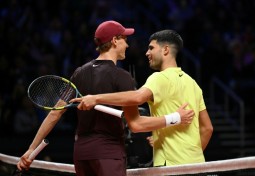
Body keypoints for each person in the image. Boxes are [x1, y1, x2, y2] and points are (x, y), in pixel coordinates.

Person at [17, 21, 194, 176]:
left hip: (81, 153)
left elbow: (54, 114)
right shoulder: (122, 77)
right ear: (115, 40)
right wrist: (175, 118)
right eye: (125, 39)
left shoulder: (79, 73)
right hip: (108, 154)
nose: (128, 45)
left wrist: (30, 149)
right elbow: (136, 125)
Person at [70, 29, 213, 166]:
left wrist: (96, 98)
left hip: (170, 166)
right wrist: (189, 157)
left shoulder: (158, 78)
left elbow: (137, 97)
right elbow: (207, 129)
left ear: (165, 50)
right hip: (197, 164)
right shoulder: (193, 83)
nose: (147, 53)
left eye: (151, 48)